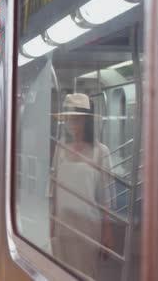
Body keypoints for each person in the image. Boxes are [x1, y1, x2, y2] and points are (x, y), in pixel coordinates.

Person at [49, 93, 115, 279]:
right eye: (70, 120)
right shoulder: (61, 148)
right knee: (60, 274)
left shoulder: (100, 152)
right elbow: (55, 190)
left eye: (77, 120)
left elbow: (105, 196)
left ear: (87, 122)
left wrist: (107, 233)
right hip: (63, 225)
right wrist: (51, 225)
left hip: (88, 227)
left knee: (85, 275)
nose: (73, 124)